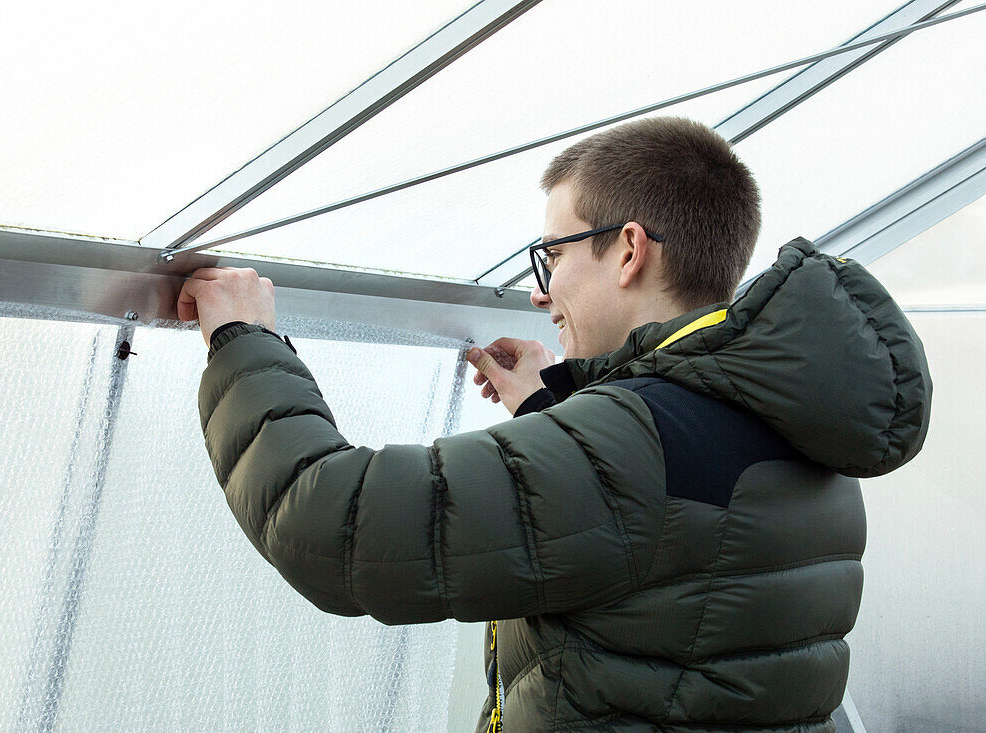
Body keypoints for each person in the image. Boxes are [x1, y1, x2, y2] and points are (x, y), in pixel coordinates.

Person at [177, 117, 931, 732]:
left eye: (552, 255)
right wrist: (552, 411)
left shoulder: (638, 441)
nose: (543, 293)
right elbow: (658, 573)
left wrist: (246, 343)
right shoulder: (791, 427)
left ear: (628, 250)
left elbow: (336, 522)